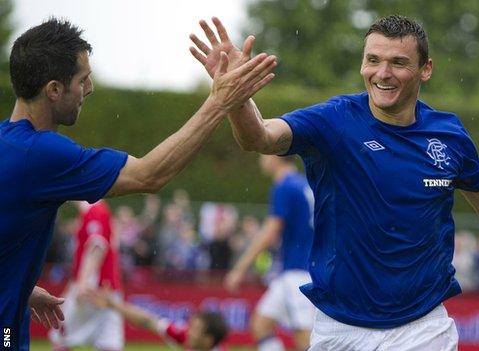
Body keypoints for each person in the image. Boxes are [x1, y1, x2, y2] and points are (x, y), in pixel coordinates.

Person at [189, 15, 479, 350]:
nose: (383, 73)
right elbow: (258, 138)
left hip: (422, 328)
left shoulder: (449, 136)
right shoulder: (332, 121)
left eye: (398, 62)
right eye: (373, 60)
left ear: (425, 69)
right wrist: (235, 96)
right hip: (339, 329)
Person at [0, 18, 276, 349]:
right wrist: (219, 102)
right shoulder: (42, 153)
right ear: (54, 89)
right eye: (83, 80)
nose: (89, 89)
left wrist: (21, 287)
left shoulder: (8, 143)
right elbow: (149, 174)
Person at [224, 155, 315, 351]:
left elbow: (271, 231)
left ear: (276, 156)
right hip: (298, 269)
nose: (261, 159)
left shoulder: (284, 185)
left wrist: (240, 268)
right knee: (261, 324)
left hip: (298, 273)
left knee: (305, 342)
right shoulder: (303, 183)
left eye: (264, 154)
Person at [48, 200, 124, 350]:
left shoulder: (94, 210)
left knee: (61, 336)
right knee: (108, 342)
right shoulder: (99, 210)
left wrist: (81, 283)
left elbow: (97, 247)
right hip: (107, 289)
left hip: (92, 289)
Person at [85, 287, 228, 351]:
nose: (188, 331)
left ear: (208, 340)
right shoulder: (183, 335)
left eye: (195, 330)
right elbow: (148, 321)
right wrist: (113, 304)